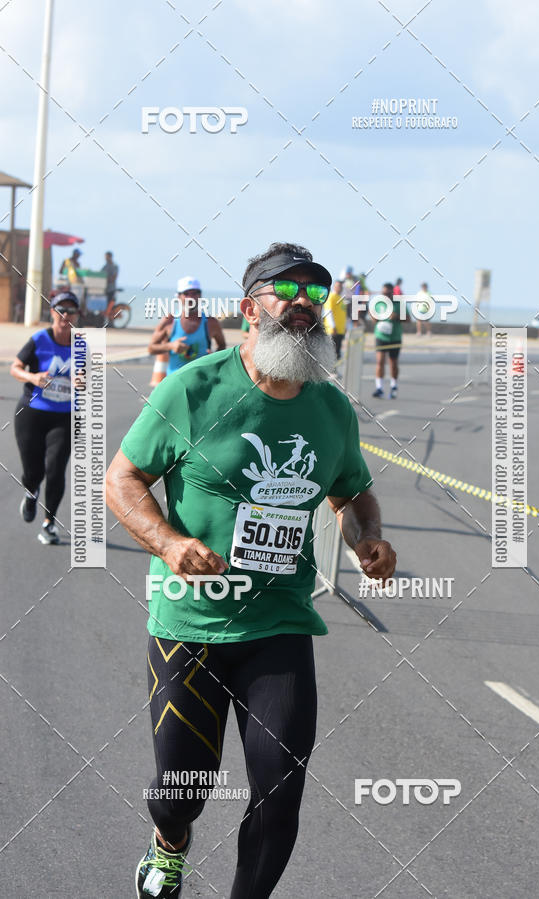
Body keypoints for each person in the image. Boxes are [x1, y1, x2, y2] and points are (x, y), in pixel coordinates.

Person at [105, 241, 396, 899]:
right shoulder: (193, 389)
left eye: (314, 294)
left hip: (279, 624)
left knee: (280, 784)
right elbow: (122, 478)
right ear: (247, 308)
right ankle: (169, 840)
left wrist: (368, 538)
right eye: (284, 291)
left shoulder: (330, 409)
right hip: (192, 621)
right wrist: (169, 542)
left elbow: (350, 490)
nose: (302, 305)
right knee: (183, 788)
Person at [10, 290, 81, 545]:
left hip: (64, 416)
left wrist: (82, 381)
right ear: (52, 312)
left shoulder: (82, 344)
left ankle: (49, 522)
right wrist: (33, 377)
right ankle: (31, 493)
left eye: (71, 311)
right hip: (31, 414)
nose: (65, 315)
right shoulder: (40, 339)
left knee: (55, 469)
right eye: (61, 310)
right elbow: (15, 367)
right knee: (33, 471)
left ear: (77, 315)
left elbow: (90, 379)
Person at [148, 277, 226, 377]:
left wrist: (214, 358)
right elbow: (151, 348)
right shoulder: (170, 321)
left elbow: (222, 346)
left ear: (200, 296)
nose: (191, 298)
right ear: (179, 297)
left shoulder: (211, 322)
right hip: (175, 382)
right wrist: (171, 346)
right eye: (186, 293)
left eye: (195, 293)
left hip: (202, 382)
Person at [371, 281, 408, 399]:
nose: (385, 295)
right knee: (380, 361)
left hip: (395, 337)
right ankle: (379, 388)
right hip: (381, 336)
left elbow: (408, 319)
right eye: (383, 293)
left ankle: (393, 386)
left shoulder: (399, 303)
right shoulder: (379, 302)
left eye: (387, 293)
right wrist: (374, 316)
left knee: (393, 363)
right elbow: (373, 318)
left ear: (392, 293)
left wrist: (396, 316)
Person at [322, 278, 346, 359]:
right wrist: (333, 326)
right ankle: (330, 371)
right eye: (339, 286)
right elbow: (328, 312)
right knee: (331, 354)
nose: (340, 287)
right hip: (332, 331)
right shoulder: (331, 297)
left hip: (340, 330)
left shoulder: (341, 298)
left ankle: (335, 371)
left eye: (341, 286)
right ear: (334, 287)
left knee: (337, 354)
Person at [101, 251, 119, 318]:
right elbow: (100, 274)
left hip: (111, 288)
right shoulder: (105, 266)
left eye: (106, 257)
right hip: (104, 288)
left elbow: (114, 278)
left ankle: (110, 318)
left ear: (110, 257)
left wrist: (107, 280)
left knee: (110, 304)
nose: (105, 258)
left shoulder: (115, 266)